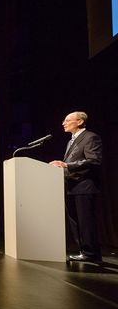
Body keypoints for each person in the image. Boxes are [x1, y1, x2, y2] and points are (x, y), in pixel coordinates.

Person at [50, 111, 103, 262]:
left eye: (67, 120)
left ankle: (91, 253)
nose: (63, 123)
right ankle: (83, 251)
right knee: (75, 221)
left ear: (79, 122)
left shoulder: (90, 137)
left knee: (85, 221)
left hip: (84, 186)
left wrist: (67, 164)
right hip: (71, 186)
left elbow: (94, 161)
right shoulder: (70, 141)